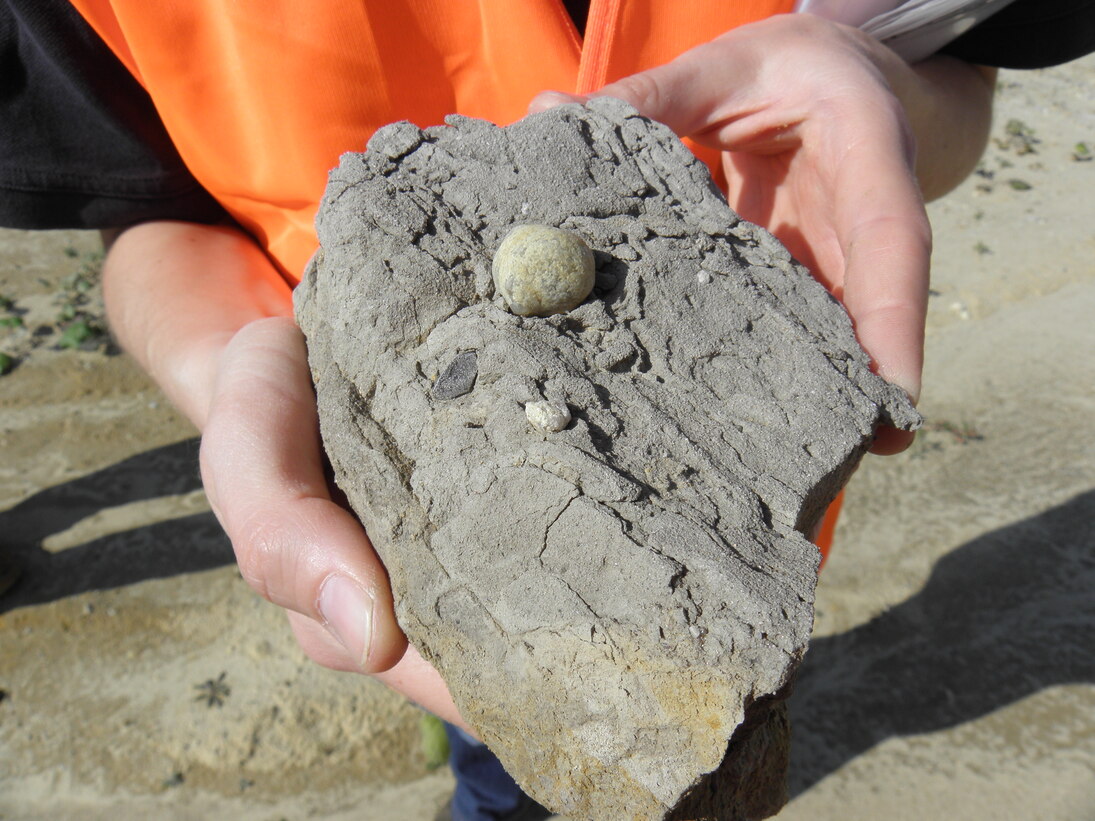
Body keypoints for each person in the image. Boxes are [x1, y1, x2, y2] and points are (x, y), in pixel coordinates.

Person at [1, 2, 1092, 819]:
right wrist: (229, 362)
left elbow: (955, 73)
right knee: (514, 759)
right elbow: (142, 206)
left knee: (706, 739)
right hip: (425, 523)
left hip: (732, 506)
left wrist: (875, 93)